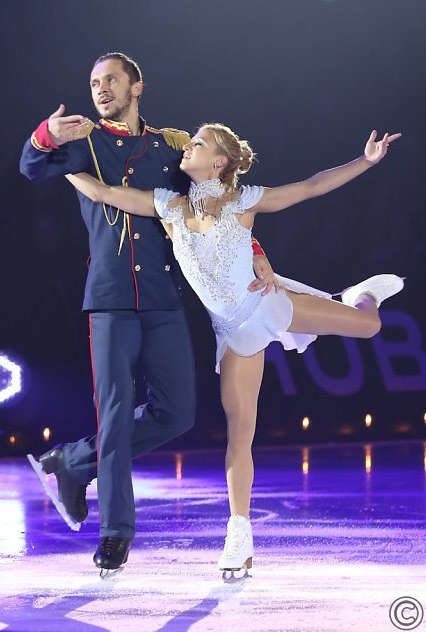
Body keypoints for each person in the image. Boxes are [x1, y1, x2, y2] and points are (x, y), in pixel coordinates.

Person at [65, 123, 403, 575]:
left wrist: (367, 160)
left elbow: (310, 188)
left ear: (220, 162)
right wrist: (58, 161)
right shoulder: (169, 205)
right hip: (231, 331)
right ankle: (239, 536)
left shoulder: (242, 202)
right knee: (239, 433)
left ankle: (359, 295)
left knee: (369, 326)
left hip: (266, 305)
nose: (190, 146)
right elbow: (106, 194)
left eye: (199, 143)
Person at [19, 53, 279, 574]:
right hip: (111, 296)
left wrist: (255, 253)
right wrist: (46, 133)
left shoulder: (172, 148)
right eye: (94, 83)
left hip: (161, 297)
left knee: (178, 413)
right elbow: (31, 166)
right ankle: (115, 533)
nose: (100, 89)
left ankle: (71, 461)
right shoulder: (85, 142)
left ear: (137, 86)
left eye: (110, 80)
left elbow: (214, 206)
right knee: (114, 417)